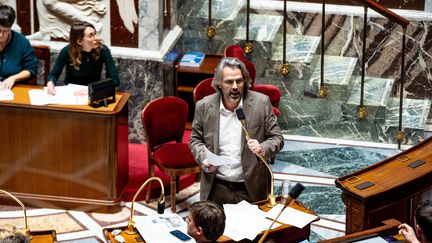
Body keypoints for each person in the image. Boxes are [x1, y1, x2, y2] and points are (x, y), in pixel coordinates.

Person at [189, 57, 284, 205]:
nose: (235, 86)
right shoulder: (204, 106)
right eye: (228, 82)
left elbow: (277, 138)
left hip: (250, 187)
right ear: (219, 84)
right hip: (216, 186)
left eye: (239, 81)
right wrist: (204, 158)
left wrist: (262, 148)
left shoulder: (261, 103)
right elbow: (195, 140)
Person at [47, 21, 120, 95]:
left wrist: (90, 90)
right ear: (79, 41)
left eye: (95, 34)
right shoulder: (67, 51)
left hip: (93, 93)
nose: (96, 38)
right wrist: (50, 83)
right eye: (91, 36)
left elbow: (115, 81)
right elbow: (53, 75)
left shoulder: (102, 50)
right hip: (71, 94)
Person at [0, 5, 37, 90]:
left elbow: (31, 69)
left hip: (15, 88)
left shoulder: (22, 42)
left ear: (10, 28)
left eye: (5, 31)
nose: (1, 35)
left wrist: (13, 78)